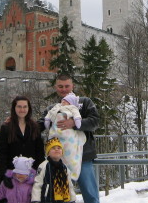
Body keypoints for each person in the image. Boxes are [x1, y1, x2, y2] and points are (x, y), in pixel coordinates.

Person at [39, 75, 100, 203]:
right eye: (60, 86)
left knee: (90, 195)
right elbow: (39, 125)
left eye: (67, 86)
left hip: (83, 156)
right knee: (60, 197)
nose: (64, 89)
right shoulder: (53, 108)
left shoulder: (84, 102)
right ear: (56, 88)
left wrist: (75, 123)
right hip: (59, 159)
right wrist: (18, 122)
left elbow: (95, 121)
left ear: (73, 86)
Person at [0, 95, 45, 182]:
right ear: (14, 108)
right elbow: (2, 153)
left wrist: (39, 172)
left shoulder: (34, 127)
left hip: (31, 173)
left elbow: (40, 152)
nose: (22, 110)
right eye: (19, 107)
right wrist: (4, 174)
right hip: (12, 173)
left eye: (25, 107)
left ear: (28, 108)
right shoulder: (6, 127)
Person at [44, 93, 86, 180]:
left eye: (66, 101)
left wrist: (77, 121)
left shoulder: (72, 108)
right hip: (55, 132)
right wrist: (47, 120)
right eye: (63, 100)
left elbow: (76, 114)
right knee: (55, 152)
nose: (63, 102)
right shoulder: (57, 107)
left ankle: (72, 172)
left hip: (67, 134)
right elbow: (50, 113)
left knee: (69, 153)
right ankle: (54, 171)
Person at [31, 137, 76, 203]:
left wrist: (72, 199)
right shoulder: (44, 166)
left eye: (59, 148)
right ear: (48, 153)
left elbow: (69, 185)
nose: (56, 150)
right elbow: (38, 183)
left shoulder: (65, 168)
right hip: (47, 199)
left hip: (63, 199)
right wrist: (36, 200)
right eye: (53, 148)